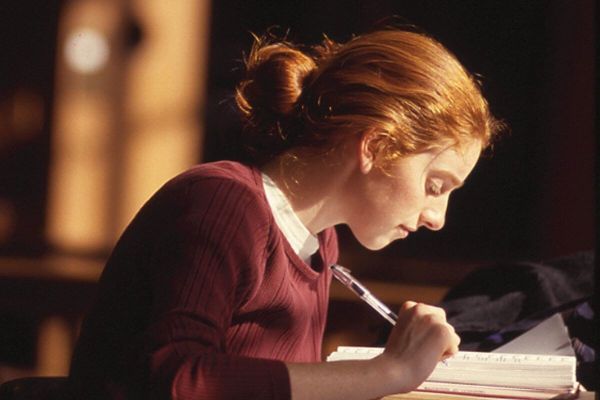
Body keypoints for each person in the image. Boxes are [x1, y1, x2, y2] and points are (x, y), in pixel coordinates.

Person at [68, 28, 503, 399]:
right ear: (376, 146)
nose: (437, 217)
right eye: (435, 185)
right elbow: (174, 380)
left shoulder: (320, 241)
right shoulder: (223, 205)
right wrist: (387, 373)